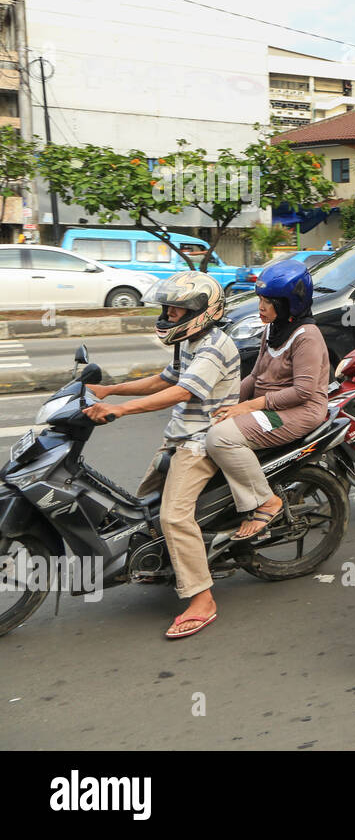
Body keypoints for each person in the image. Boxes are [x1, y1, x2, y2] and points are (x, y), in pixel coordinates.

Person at [84, 271, 241, 639]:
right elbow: (165, 380)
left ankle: (202, 599)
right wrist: (110, 390)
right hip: (178, 437)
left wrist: (123, 410)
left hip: (201, 442)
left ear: (200, 311)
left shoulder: (214, 346)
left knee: (172, 516)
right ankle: (166, 562)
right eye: (168, 308)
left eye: (176, 309)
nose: (169, 314)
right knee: (141, 508)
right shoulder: (189, 341)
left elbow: (182, 393)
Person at [205, 260, 330, 540]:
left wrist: (247, 406)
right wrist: (222, 401)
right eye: (260, 299)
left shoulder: (306, 336)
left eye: (268, 302)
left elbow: (303, 392)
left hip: (298, 411)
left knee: (220, 437)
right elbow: (256, 376)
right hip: (269, 406)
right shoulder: (272, 330)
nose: (261, 307)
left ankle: (265, 501)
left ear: (289, 305)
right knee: (208, 422)